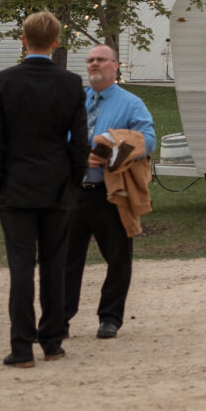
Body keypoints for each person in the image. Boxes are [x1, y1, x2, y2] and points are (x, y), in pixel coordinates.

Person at [0, 11, 91, 368]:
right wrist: (74, 179)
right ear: (57, 42)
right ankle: (52, 340)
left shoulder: (3, 81)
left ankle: (20, 346)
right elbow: (79, 141)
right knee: (54, 264)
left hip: (15, 184)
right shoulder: (71, 83)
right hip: (58, 184)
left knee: (20, 266)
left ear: (23, 40)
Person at [66, 44, 156, 340]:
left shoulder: (130, 104)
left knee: (118, 258)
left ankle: (110, 318)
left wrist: (113, 153)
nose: (94, 64)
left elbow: (149, 140)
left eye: (101, 60)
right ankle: (61, 318)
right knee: (66, 260)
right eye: (90, 60)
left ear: (115, 66)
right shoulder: (74, 101)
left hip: (110, 192)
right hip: (73, 192)